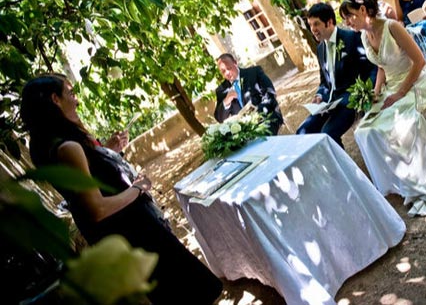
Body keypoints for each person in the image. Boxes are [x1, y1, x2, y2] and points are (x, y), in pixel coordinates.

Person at [20, 74, 222, 305]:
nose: (76, 100)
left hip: (124, 235)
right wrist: (138, 188)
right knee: (191, 291)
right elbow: (97, 208)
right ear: (55, 99)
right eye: (71, 93)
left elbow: (88, 177)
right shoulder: (68, 148)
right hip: (134, 232)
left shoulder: (48, 145)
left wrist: (107, 150)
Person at [339, 0, 426, 216]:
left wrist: (400, 93)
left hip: (414, 82)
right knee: (365, 131)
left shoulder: (392, 27)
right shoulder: (364, 35)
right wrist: (376, 91)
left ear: (363, 9)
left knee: (401, 123)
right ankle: (401, 181)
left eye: (349, 15)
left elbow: (419, 61)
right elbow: (380, 65)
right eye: (344, 19)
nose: (347, 22)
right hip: (390, 86)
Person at [296, 2, 377, 148]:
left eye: (316, 24)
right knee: (302, 131)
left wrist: (368, 93)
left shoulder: (351, 38)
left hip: (350, 100)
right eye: (310, 25)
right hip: (328, 102)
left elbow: (372, 68)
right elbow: (324, 82)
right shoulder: (320, 48)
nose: (313, 29)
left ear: (329, 22)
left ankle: (344, 169)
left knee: (328, 134)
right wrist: (319, 95)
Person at [214, 53, 283, 135]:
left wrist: (254, 115)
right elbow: (219, 118)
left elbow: (270, 94)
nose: (227, 73)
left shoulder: (254, 72)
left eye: (229, 68)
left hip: (266, 119)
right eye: (223, 71)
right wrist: (226, 101)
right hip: (244, 130)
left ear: (235, 63)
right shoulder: (221, 90)